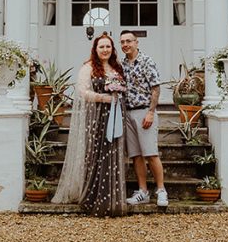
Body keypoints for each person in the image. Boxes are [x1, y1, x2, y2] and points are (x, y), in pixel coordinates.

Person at [50, 32, 128, 216]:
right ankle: (94, 197)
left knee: (112, 155)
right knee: (97, 154)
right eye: (101, 46)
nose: (105, 50)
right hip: (97, 117)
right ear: (95, 49)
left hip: (116, 116)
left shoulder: (116, 68)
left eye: (108, 46)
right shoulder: (88, 68)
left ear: (112, 49)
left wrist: (118, 96)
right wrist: (102, 98)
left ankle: (112, 198)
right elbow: (82, 92)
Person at [119, 30, 168, 208]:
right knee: (136, 155)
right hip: (128, 113)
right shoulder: (122, 64)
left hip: (144, 113)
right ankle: (143, 191)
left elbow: (156, 88)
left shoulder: (147, 61)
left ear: (136, 42)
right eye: (122, 42)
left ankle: (161, 190)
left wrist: (150, 112)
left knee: (151, 153)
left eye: (129, 41)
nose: (125, 44)